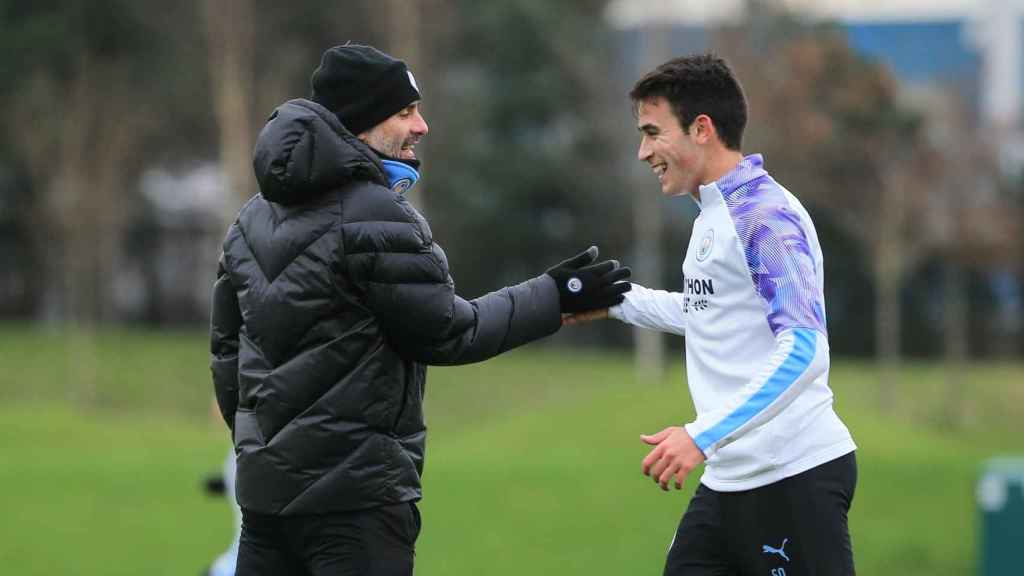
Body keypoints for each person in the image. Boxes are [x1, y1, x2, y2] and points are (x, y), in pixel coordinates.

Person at [209, 43, 630, 576]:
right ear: (361, 124)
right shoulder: (379, 212)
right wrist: (555, 294)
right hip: (357, 510)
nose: (422, 126)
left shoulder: (250, 218)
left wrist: (269, 452)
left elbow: (226, 357)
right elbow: (449, 332)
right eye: (405, 112)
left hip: (264, 507)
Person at [567, 54, 857, 575]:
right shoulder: (712, 212)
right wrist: (614, 300)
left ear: (701, 129)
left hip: (792, 476)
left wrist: (701, 435)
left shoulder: (764, 219)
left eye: (653, 133)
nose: (642, 151)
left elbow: (805, 348)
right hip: (729, 481)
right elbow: (712, 313)